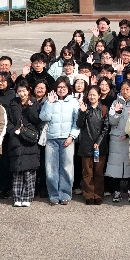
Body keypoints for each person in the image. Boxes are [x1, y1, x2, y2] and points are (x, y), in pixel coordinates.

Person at [39, 77, 81, 205]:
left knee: (67, 168)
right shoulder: (50, 100)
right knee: (51, 169)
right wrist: (49, 103)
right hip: (51, 139)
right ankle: (53, 195)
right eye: (59, 87)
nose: (61, 89)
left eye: (64, 87)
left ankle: (65, 194)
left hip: (67, 139)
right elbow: (43, 117)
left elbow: (77, 122)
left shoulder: (73, 102)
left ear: (68, 88)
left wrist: (71, 136)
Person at [6, 84, 43, 207]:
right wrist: (13, 131)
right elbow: (8, 120)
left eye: (24, 91)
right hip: (16, 138)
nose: (22, 94)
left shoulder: (34, 102)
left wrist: (31, 108)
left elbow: (37, 120)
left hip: (30, 138)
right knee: (17, 170)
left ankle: (27, 196)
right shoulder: (13, 103)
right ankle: (17, 197)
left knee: (29, 170)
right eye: (19, 91)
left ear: (28, 90)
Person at [76, 83, 111, 204]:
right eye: (90, 95)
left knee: (99, 172)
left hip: (100, 146)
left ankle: (98, 194)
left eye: (94, 95)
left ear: (99, 95)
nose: (91, 97)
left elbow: (106, 128)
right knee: (87, 172)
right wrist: (82, 113)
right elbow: (79, 125)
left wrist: (98, 142)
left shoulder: (104, 109)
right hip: (86, 144)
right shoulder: (85, 108)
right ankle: (89, 195)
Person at [105, 80, 130, 203]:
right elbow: (111, 121)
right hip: (117, 138)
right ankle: (116, 191)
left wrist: (129, 134)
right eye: (122, 89)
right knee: (115, 166)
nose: (125, 91)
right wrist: (118, 112)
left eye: (127, 89)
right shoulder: (116, 102)